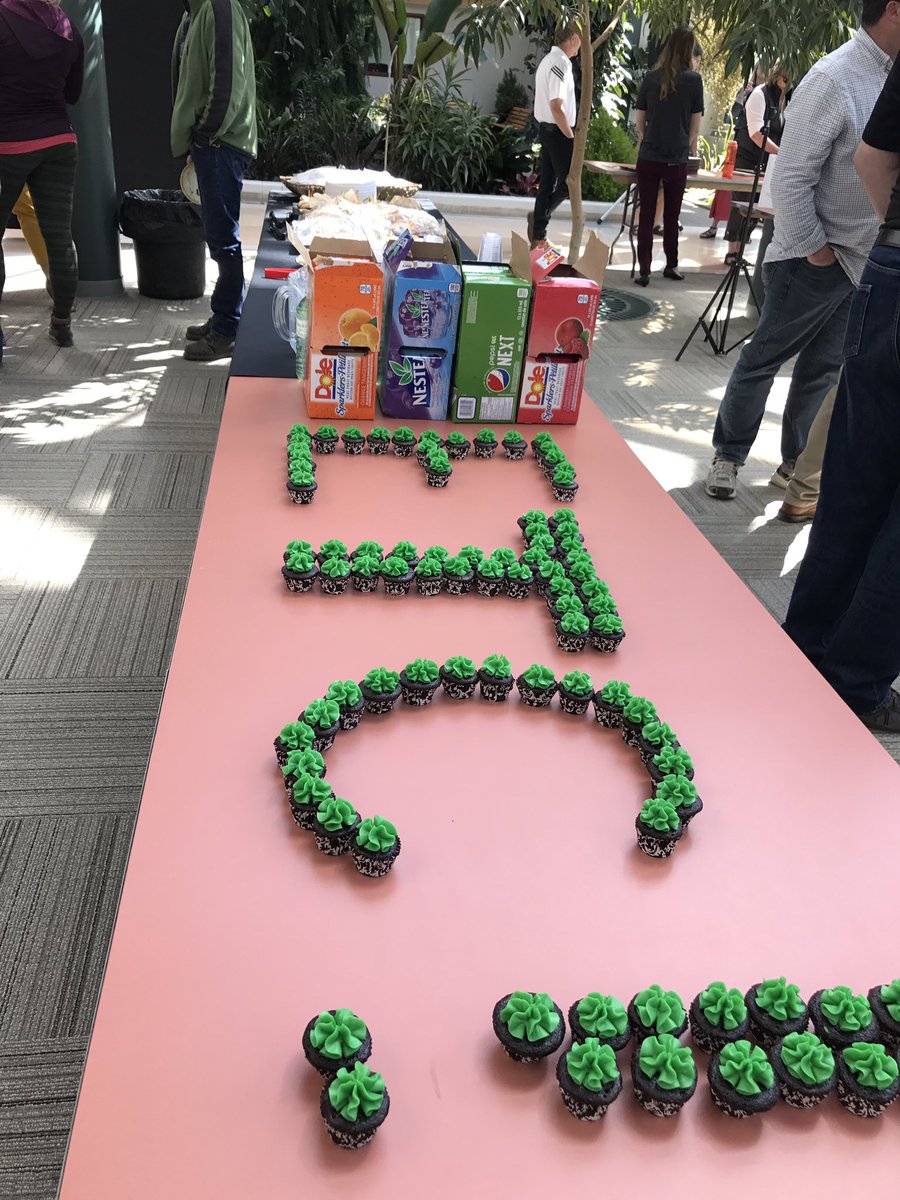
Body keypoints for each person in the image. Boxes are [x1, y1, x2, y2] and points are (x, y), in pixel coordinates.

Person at [704, 2, 900, 501]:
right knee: (764, 357)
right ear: (893, 10)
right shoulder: (834, 77)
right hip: (814, 257)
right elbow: (790, 177)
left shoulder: (889, 77)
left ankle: (795, 464)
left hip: (861, 260)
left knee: (822, 372)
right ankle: (728, 456)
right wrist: (817, 251)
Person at [783, 57, 900, 731]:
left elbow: (873, 157)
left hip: (892, 264)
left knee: (854, 481)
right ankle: (854, 683)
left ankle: (802, 652)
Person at [171, 0, 257, 363]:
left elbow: (226, 84)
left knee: (224, 240)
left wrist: (206, 135)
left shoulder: (219, 7)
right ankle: (225, 315)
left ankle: (226, 329)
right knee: (219, 237)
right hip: (213, 143)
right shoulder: (197, 11)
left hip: (221, 143)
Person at [0, 0, 83, 360]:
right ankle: (62, 324)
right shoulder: (69, 30)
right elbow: (73, 93)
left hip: (9, 143)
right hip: (59, 142)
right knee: (60, 237)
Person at [633, 28, 704, 287]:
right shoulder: (694, 81)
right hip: (676, 158)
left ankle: (644, 269)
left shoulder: (651, 78)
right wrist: (683, 144)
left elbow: (640, 122)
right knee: (672, 216)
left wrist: (651, 139)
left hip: (649, 156)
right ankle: (671, 265)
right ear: (689, 50)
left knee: (647, 214)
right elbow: (695, 127)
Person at [722, 64, 788, 266]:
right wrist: (780, 152)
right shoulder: (760, 94)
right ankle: (732, 250)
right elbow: (756, 133)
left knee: (757, 208)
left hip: (767, 161)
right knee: (741, 204)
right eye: (786, 78)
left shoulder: (784, 99)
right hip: (748, 158)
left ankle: (740, 250)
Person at [528, 22, 581, 249]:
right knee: (569, 182)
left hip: (547, 129)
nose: (580, 45)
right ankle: (539, 221)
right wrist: (570, 136)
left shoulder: (548, 60)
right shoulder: (560, 63)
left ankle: (539, 234)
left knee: (548, 183)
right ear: (573, 38)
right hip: (558, 131)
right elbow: (556, 105)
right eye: (580, 39)